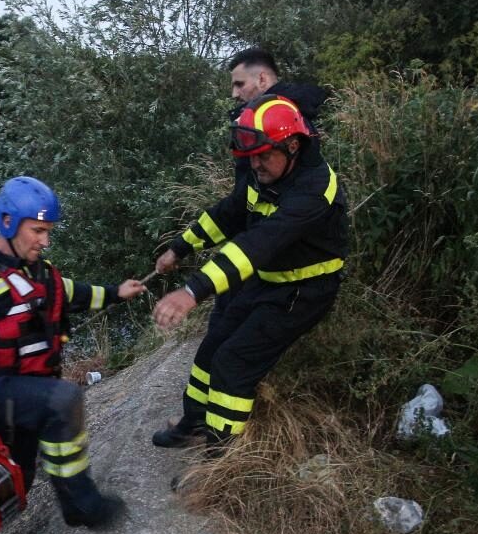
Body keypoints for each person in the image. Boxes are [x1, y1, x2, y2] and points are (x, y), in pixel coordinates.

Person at [0, 176, 147, 534]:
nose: (45, 241)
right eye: (38, 231)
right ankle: (79, 502)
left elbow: (72, 293)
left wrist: (117, 293)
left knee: (17, 474)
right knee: (64, 400)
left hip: (28, 390)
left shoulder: (38, 273)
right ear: (8, 222)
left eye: (48, 232)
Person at [149, 89, 348, 449]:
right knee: (211, 350)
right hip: (267, 280)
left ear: (292, 145)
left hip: (303, 292)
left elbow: (257, 245)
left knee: (232, 363)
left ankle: (220, 460)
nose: (255, 166)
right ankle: (194, 425)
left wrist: (193, 291)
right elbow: (229, 214)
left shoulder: (314, 189)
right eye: (250, 158)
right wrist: (179, 248)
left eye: (262, 156)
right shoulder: (268, 174)